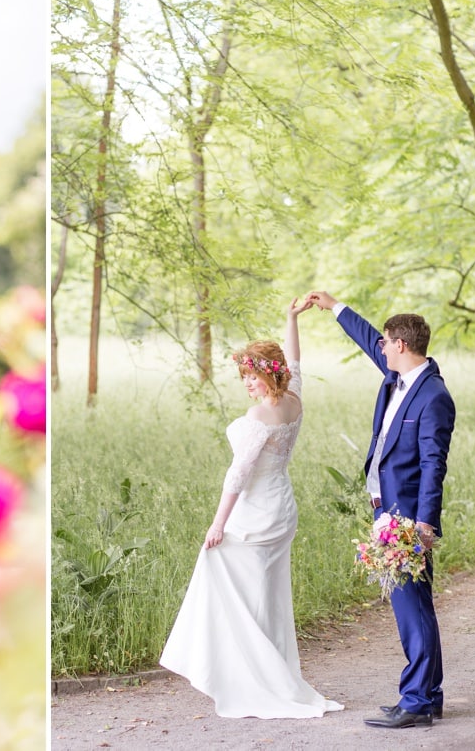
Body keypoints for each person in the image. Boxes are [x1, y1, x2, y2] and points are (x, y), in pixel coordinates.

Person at [160, 299, 343, 719]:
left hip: (257, 512)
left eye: (252, 376)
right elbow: (296, 360)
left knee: (220, 569)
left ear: (267, 375)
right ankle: (262, 669)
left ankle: (248, 674)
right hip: (281, 506)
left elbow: (237, 474)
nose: (247, 384)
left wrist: (217, 523)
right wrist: (291, 318)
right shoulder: (293, 399)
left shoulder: (261, 413)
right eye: (243, 377)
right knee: (265, 595)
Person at [305, 290, 454, 729]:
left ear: (402, 345)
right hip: (385, 510)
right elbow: (369, 338)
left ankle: (417, 701)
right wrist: (334, 307)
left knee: (412, 607)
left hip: (407, 516)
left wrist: (424, 523)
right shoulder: (399, 376)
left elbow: (433, 465)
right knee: (412, 604)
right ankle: (427, 696)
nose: (381, 348)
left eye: (387, 343)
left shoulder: (433, 397)